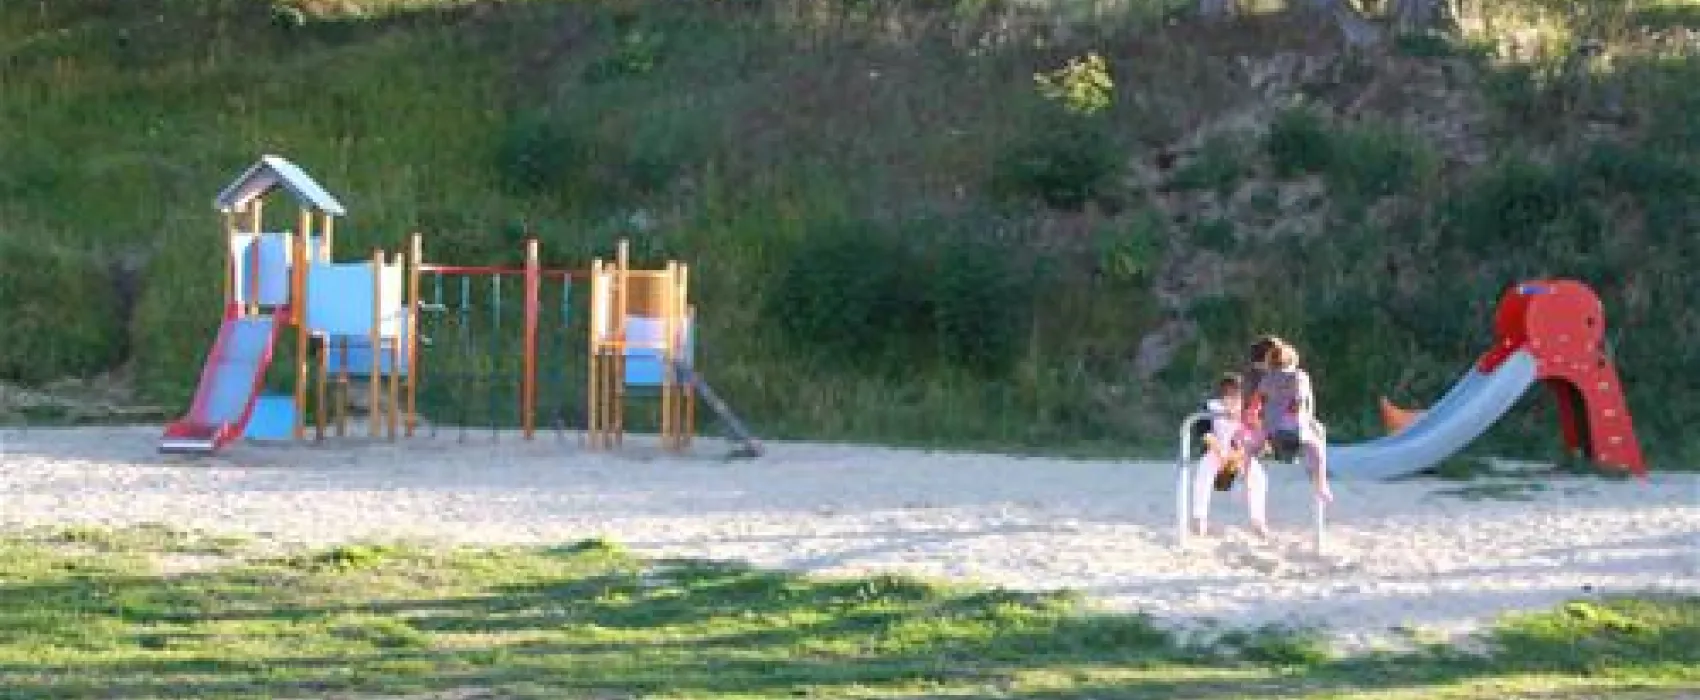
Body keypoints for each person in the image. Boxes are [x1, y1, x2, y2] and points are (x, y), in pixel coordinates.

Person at [1251, 337, 1333, 504]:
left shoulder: (1266, 379)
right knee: (1317, 446)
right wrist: (1302, 415)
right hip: (1295, 429)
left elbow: (1255, 402)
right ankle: (1321, 484)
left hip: (1271, 431)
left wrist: (1257, 418)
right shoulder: (1299, 376)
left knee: (1250, 448)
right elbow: (1299, 401)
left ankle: (1239, 476)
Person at [1191, 372, 1268, 538]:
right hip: (1216, 451)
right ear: (1222, 394)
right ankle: (1199, 518)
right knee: (1203, 472)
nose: (1232, 397)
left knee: (1258, 477)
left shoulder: (1248, 410)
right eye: (1228, 393)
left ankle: (1257, 520)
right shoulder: (1211, 407)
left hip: (1240, 453)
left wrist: (1241, 453)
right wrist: (1220, 452)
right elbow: (1204, 433)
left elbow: (1256, 435)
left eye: (1236, 393)